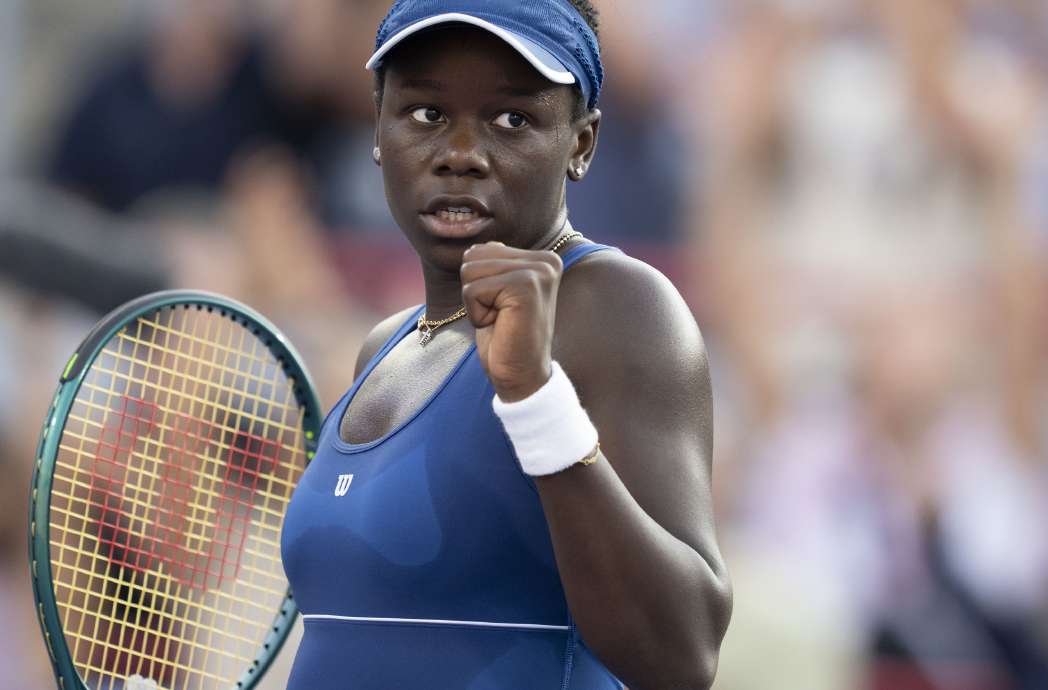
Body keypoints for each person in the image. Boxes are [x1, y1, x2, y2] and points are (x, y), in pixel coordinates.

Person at [278, 1, 733, 688]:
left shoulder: (618, 307)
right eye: (426, 114)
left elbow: (683, 656)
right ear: (378, 128)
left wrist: (534, 395)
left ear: (582, 142)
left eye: (512, 119)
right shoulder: (382, 351)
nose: (460, 154)